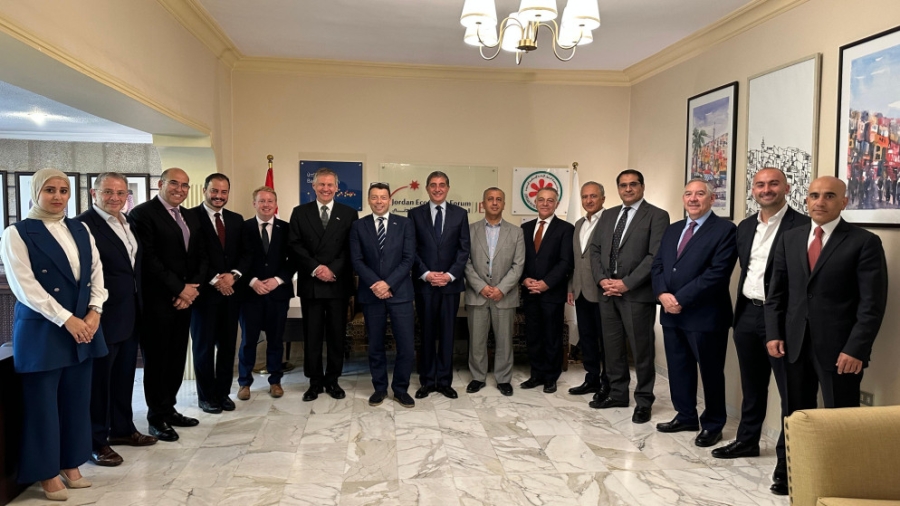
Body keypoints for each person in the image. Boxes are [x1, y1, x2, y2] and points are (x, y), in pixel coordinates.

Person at [765, 176, 887, 494]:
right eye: (814, 195)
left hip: (840, 350)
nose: (820, 201)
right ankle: (789, 471)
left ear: (843, 202)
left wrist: (856, 348)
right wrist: (774, 333)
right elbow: (776, 293)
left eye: (829, 196)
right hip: (793, 343)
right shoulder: (790, 238)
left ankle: (840, 478)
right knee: (794, 412)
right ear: (806, 200)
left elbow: (871, 305)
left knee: (840, 415)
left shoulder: (864, 242)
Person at [0, 168, 108, 500]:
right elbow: (25, 287)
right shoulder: (17, 233)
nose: (58, 196)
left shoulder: (80, 228)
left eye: (63, 190)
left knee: (77, 399)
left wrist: (95, 310)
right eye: (50, 190)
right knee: (43, 405)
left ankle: (71, 463)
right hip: (44, 329)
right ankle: (46, 472)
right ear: (35, 193)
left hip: (84, 326)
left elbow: (96, 271)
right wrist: (67, 319)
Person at [711, 168, 807, 495]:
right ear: (753, 189)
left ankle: (788, 465)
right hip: (748, 314)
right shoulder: (745, 226)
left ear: (787, 188)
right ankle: (747, 440)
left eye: (773, 183)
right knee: (752, 386)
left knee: (792, 393)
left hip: (782, 319)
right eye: (760, 184)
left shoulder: (802, 225)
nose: (766, 189)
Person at [77, 173, 157, 468]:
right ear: (93, 193)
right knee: (99, 383)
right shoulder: (84, 225)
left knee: (124, 377)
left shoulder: (127, 222)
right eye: (108, 191)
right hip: (102, 315)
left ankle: (122, 429)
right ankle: (96, 442)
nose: (115, 197)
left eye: (121, 193)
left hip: (131, 312)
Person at [651, 179, 737, 447]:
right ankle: (686, 415)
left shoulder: (725, 230)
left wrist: (680, 299)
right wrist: (662, 294)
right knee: (679, 369)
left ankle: (713, 424)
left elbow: (717, 274)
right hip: (671, 313)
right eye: (688, 194)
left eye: (700, 194)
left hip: (705, 316)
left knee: (710, 373)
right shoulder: (673, 229)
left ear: (712, 199)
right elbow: (658, 265)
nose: (693, 198)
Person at [130, 167, 208, 442]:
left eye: (185, 185)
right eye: (174, 183)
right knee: (157, 360)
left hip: (184, 301)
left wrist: (192, 289)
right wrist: (179, 289)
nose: (180, 189)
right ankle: (156, 417)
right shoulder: (142, 214)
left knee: (176, 357)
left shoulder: (189, 216)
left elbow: (201, 255)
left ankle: (169, 409)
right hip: (158, 301)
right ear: (160, 184)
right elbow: (149, 259)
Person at [589, 169, 669, 424]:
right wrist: (602, 279)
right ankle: (617, 393)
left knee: (641, 349)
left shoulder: (657, 215)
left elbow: (655, 256)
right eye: (623, 185)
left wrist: (626, 283)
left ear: (642, 187)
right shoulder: (608, 215)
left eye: (633, 184)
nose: (628, 189)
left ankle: (644, 401)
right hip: (607, 292)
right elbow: (595, 249)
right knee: (612, 348)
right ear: (618, 189)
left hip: (636, 294)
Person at [289, 168, 359, 401]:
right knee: (312, 335)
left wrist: (332, 270)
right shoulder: (300, 212)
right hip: (311, 283)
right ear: (314, 186)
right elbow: (295, 245)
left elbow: (351, 248)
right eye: (321, 184)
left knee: (337, 335)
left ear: (337, 188)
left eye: (330, 185)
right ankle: (315, 382)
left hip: (337, 284)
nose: (326, 189)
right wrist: (317, 268)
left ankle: (333, 380)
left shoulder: (349, 213)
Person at [349, 183, 417, 408]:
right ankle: (379, 388)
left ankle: (400, 389)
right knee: (375, 345)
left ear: (390, 200)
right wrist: (376, 284)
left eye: (383, 197)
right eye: (375, 197)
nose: (379, 201)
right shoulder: (358, 226)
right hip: (371, 295)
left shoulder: (405, 224)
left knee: (406, 345)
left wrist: (388, 283)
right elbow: (357, 260)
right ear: (369, 200)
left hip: (400, 293)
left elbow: (408, 258)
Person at [409, 171, 470, 399]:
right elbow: (412, 249)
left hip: (450, 286)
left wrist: (450, 275)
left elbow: (464, 249)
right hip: (425, 286)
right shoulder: (414, 214)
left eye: (442, 184)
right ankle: (426, 381)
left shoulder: (460, 214)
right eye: (433, 185)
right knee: (426, 334)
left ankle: (444, 381)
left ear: (448, 188)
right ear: (427, 188)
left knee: (447, 334)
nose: (437, 189)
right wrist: (426, 274)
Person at [189, 173, 244, 414]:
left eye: (223, 192)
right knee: (203, 348)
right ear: (204, 190)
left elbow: (246, 253)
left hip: (231, 295)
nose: (219, 196)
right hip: (204, 297)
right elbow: (191, 256)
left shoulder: (236, 219)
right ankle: (206, 397)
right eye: (214, 191)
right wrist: (215, 279)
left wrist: (234, 275)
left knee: (228, 347)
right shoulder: (189, 217)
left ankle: (223, 394)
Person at [464, 187, 525, 397]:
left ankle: (503, 379)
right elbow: (465, 262)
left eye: (499, 199)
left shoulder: (516, 232)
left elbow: (518, 265)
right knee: (477, 340)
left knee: (504, 341)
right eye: (490, 199)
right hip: (477, 294)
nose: (495, 202)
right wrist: (481, 286)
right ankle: (477, 377)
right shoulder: (470, 230)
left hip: (504, 296)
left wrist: (501, 288)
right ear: (483, 204)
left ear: (504, 204)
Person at [235, 186, 295, 400]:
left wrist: (277, 280)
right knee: (248, 341)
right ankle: (244, 383)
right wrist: (252, 281)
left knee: (276, 341)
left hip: (278, 294)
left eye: (270, 201)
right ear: (254, 204)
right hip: (250, 295)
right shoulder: (243, 228)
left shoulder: (286, 229)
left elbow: (294, 259)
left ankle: (275, 381)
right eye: (262, 201)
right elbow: (236, 259)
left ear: (276, 204)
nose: (266, 205)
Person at [520, 187, 574, 394]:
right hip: (529, 292)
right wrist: (524, 279)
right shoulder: (525, 228)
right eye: (541, 199)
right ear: (535, 202)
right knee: (533, 335)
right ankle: (536, 374)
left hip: (552, 293)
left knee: (552, 336)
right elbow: (520, 259)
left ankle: (551, 377)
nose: (545, 203)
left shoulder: (565, 229)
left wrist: (546, 283)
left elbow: (565, 262)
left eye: (550, 200)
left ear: (556, 204)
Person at [567, 181, 610, 398]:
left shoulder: (610, 221)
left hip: (603, 291)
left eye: (593, 196)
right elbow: (576, 259)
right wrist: (571, 286)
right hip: (581, 290)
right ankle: (592, 378)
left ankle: (608, 383)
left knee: (606, 340)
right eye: (584, 197)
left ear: (603, 198)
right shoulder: (578, 223)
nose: (588, 200)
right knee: (587, 337)